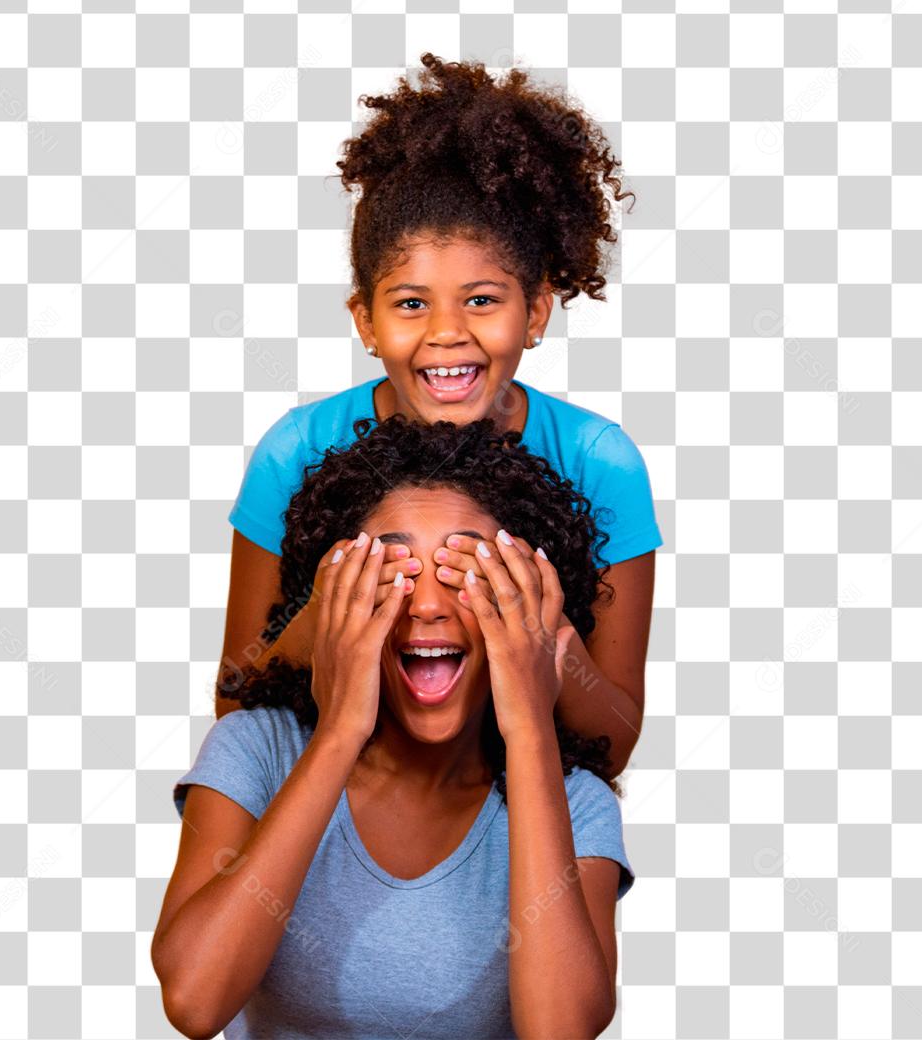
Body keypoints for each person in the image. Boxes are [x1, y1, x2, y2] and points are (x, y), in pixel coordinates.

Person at [219, 52, 660, 778]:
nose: (447, 332)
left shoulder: (600, 463)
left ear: (536, 311)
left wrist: (546, 634)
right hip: (342, 799)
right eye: (411, 303)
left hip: (524, 803)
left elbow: (614, 745)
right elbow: (235, 712)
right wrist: (319, 620)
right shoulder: (293, 452)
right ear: (365, 319)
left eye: (482, 300)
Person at [154, 415, 635, 1039]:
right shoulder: (257, 751)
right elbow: (194, 1002)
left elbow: (560, 1032)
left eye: (466, 575)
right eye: (394, 574)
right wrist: (337, 733)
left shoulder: (574, 803)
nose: (429, 605)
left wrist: (531, 731)